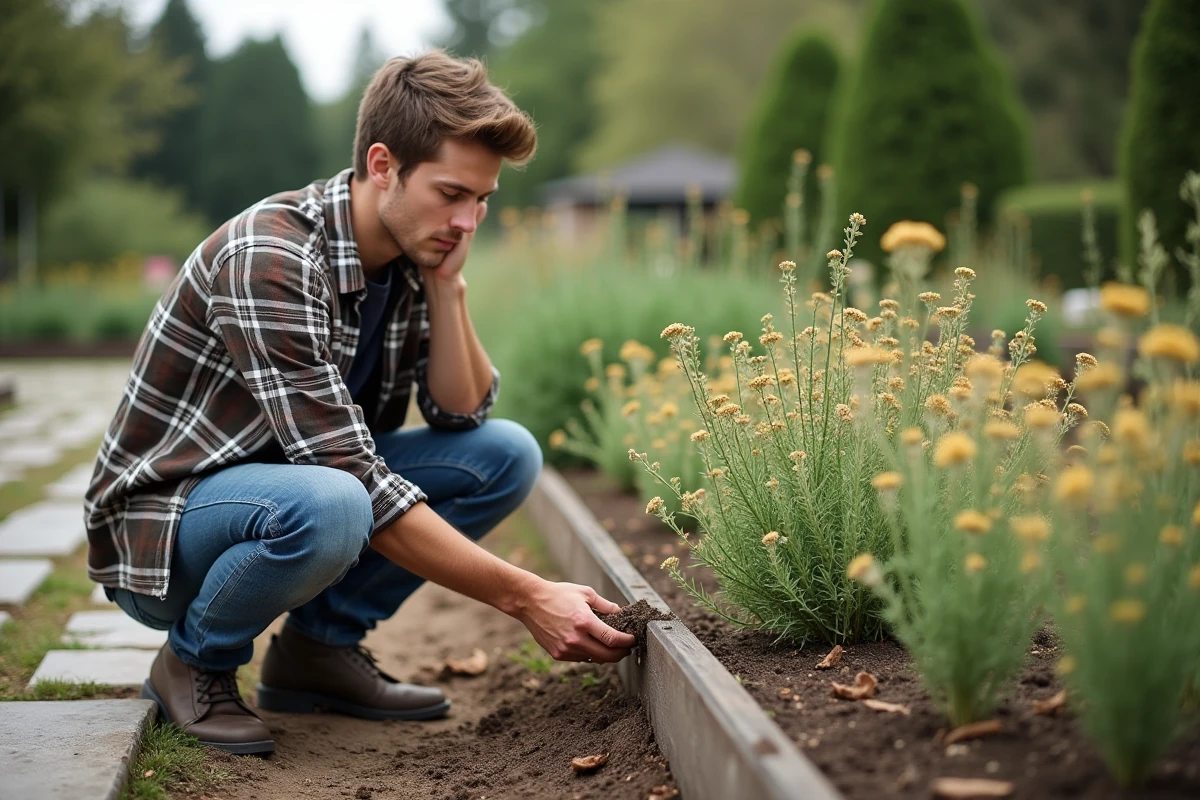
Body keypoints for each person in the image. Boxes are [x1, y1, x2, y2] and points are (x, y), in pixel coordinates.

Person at [84, 50, 636, 756]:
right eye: (451, 194)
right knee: (336, 502)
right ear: (383, 166)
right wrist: (527, 596)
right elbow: (355, 479)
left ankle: (317, 651)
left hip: (296, 497)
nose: (468, 221)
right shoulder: (273, 255)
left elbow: (460, 416)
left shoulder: (408, 251)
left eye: (482, 201)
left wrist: (446, 288)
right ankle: (193, 661)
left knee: (504, 456)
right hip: (166, 527)